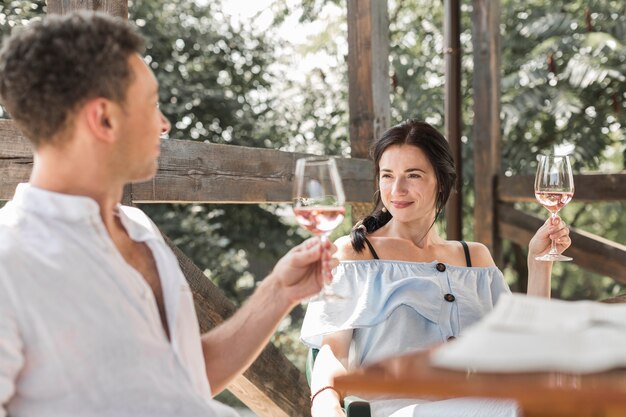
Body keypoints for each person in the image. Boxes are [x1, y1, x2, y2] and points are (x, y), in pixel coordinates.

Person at [0, 11, 338, 417]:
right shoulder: (11, 262)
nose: (165, 124)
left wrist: (278, 292)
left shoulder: (140, 229)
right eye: (152, 104)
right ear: (104, 118)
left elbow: (184, 381)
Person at [301, 120, 571, 417]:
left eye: (413, 175)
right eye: (387, 176)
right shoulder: (356, 255)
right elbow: (333, 353)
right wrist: (325, 404)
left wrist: (538, 262)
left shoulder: (474, 258)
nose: (397, 189)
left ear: (441, 181)